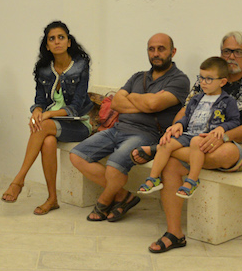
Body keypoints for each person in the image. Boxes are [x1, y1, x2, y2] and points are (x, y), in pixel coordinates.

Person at [143, 31, 242, 253]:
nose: (231, 56)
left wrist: (223, 137)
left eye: (238, 52)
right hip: (197, 142)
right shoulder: (205, 80)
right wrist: (177, 127)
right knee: (171, 165)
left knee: (220, 153)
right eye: (227, 51)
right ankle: (174, 233)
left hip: (238, 145)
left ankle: (158, 150)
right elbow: (185, 110)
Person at [69, 33, 189, 223]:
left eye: (161, 49)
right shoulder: (138, 77)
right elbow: (117, 103)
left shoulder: (179, 80)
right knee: (77, 156)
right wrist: (146, 102)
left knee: (114, 167)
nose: (155, 53)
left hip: (146, 134)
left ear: (173, 52)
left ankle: (105, 199)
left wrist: (133, 97)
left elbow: (154, 105)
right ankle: (123, 196)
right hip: (117, 129)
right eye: (151, 49)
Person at [1, 21, 93, 215]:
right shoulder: (43, 69)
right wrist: (37, 110)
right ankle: (52, 199)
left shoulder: (80, 67)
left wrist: (48, 114)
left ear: (69, 42)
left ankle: (19, 180)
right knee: (48, 141)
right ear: (47, 45)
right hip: (52, 124)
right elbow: (40, 100)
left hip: (79, 124)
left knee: (42, 126)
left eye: (61, 37)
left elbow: (76, 108)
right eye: (52, 39)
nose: (57, 42)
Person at [136, 56, 241, 201]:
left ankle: (192, 180)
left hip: (204, 137)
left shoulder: (228, 101)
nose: (203, 82)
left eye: (209, 79)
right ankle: (153, 178)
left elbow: (235, 120)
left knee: (196, 142)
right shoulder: (196, 98)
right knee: (166, 142)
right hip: (188, 133)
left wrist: (223, 127)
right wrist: (179, 124)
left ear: (222, 82)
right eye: (201, 78)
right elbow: (187, 116)